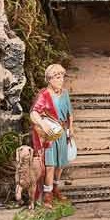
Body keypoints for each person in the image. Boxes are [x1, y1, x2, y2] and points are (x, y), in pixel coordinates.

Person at [31, 63, 73, 206]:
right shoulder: (44, 95)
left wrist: (71, 128)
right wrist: (43, 125)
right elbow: (34, 113)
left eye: (62, 77)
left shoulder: (64, 93)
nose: (61, 80)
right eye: (57, 77)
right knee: (50, 165)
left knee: (61, 164)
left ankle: (55, 188)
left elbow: (70, 113)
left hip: (62, 132)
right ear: (49, 79)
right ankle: (47, 194)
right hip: (50, 136)